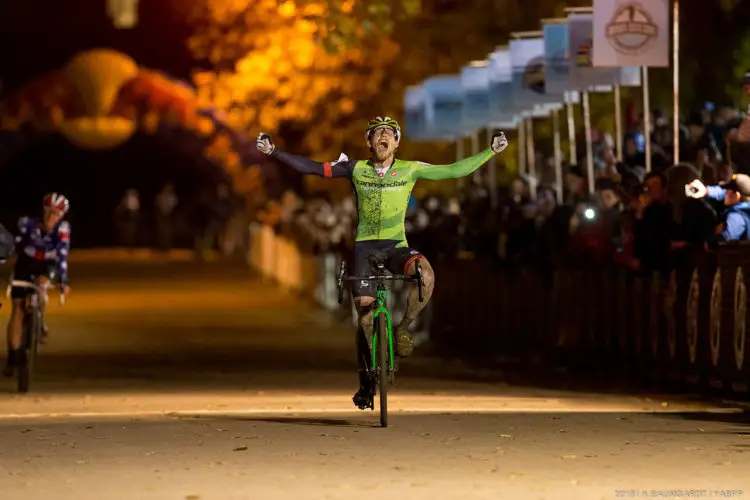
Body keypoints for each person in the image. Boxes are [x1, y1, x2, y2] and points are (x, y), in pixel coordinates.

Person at [256, 116, 509, 409]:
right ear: (369, 142)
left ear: (397, 142)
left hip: (395, 248)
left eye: (389, 133)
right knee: (365, 314)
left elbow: (453, 170)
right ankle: (366, 382)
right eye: (377, 134)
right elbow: (314, 168)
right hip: (364, 249)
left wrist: (490, 151)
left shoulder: (410, 169)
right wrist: (274, 152)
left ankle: (403, 329)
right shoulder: (355, 168)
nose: (383, 137)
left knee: (425, 275)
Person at [3, 193, 72, 377]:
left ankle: (39, 318)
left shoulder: (63, 229)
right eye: (49, 212)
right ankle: (13, 355)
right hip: (25, 264)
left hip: (46, 265)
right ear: (43, 210)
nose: (52, 218)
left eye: (57, 214)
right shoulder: (27, 224)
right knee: (17, 309)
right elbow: (15, 247)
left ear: (62, 216)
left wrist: (63, 280)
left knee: (42, 285)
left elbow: (62, 256)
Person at [686, 174, 750, 244]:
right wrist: (706, 191)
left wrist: (707, 242)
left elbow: (726, 239)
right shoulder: (745, 202)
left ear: (737, 195)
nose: (725, 192)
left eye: (728, 190)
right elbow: (721, 192)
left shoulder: (737, 215)